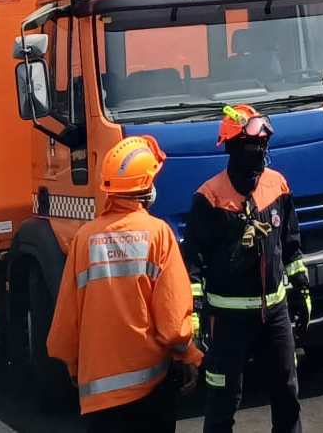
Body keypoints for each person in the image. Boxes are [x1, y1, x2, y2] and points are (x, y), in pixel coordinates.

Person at [48, 134, 201, 432]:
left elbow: (66, 320)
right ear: (146, 187)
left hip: (99, 399)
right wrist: (189, 355)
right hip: (150, 391)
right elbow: (172, 325)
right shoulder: (158, 234)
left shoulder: (84, 238)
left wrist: (73, 366)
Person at [182, 105, 308, 433]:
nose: (262, 152)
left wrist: (300, 289)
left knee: (287, 396)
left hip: (275, 315)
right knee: (223, 403)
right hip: (227, 321)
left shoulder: (277, 186)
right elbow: (193, 263)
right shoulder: (209, 198)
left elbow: (291, 244)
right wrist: (195, 316)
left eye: (264, 145)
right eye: (254, 145)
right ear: (233, 146)